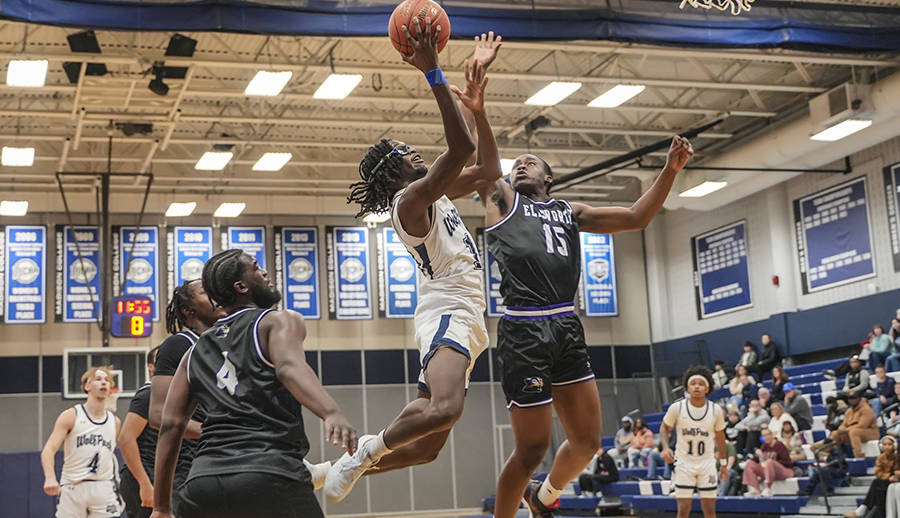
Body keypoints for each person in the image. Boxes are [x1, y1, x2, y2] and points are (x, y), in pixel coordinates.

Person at [471, 52, 693, 517]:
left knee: (589, 441)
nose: (522, 164)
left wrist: (669, 172)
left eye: (532, 162)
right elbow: (487, 164)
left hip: (567, 328)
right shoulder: (502, 201)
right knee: (531, 450)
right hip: (525, 330)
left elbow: (637, 217)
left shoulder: (568, 211)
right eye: (519, 163)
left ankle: (544, 496)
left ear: (549, 177)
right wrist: (478, 110)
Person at [331, 26, 502, 502]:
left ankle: (330, 470)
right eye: (407, 153)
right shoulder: (409, 201)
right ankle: (365, 449)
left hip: (463, 310)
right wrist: (432, 71)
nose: (417, 153)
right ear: (393, 172)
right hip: (449, 306)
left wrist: (479, 109)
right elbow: (462, 150)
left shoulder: (434, 193)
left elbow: (489, 170)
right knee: (445, 409)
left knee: (427, 448)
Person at [151, 249, 358, 518]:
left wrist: (161, 507)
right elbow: (288, 367)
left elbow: (171, 425)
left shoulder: (194, 351)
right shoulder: (278, 321)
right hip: (267, 473)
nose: (265, 272)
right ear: (241, 286)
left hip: (202, 485)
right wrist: (330, 411)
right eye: (256, 266)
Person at [148, 279, 230, 501]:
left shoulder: (234, 340)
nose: (216, 296)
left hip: (235, 456)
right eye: (206, 292)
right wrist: (221, 436)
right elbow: (157, 415)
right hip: (193, 461)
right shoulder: (179, 344)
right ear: (188, 309)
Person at [41, 366, 123, 518]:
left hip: (103, 486)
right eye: (98, 379)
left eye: (107, 380)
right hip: (73, 486)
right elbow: (49, 449)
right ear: (87, 386)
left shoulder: (115, 422)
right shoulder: (71, 415)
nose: (103, 383)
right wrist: (50, 477)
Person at [659, 366, 728, 518]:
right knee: (683, 508)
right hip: (684, 463)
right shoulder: (677, 408)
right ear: (687, 387)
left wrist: (723, 464)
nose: (697, 386)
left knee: (709, 509)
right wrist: (665, 447)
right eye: (693, 383)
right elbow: (664, 428)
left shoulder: (715, 410)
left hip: (707, 463)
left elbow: (720, 437)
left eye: (701, 383)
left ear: (707, 388)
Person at [119, 347, 161, 518]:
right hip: (143, 477)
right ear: (151, 366)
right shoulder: (148, 394)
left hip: (159, 475)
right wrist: (144, 483)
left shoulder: (169, 394)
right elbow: (125, 440)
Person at [849, 435, 900, 518]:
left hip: (893, 481)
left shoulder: (897, 457)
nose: (887, 447)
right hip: (885, 481)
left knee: (876, 483)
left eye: (889, 444)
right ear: (881, 446)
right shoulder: (880, 458)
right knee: (878, 489)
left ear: (894, 446)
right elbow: (878, 473)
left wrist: (892, 476)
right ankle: (868, 510)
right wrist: (889, 476)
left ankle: (863, 509)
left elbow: (896, 471)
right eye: (885, 444)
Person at [742, 428, 793, 497]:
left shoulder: (779, 445)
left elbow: (787, 462)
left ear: (772, 435)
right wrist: (757, 455)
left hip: (783, 471)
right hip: (767, 470)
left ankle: (768, 488)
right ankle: (756, 488)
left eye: (767, 435)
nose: (766, 437)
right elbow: (756, 461)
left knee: (769, 462)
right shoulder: (764, 446)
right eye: (764, 435)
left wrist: (772, 463)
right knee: (749, 463)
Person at [833, 391, 880, 458]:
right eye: (850, 399)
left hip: (871, 432)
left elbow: (862, 425)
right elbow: (844, 424)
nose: (852, 400)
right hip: (853, 432)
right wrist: (841, 428)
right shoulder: (848, 411)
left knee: (854, 432)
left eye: (854, 398)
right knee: (835, 433)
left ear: (859, 399)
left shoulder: (866, 409)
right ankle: (836, 456)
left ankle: (858, 454)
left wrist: (845, 429)